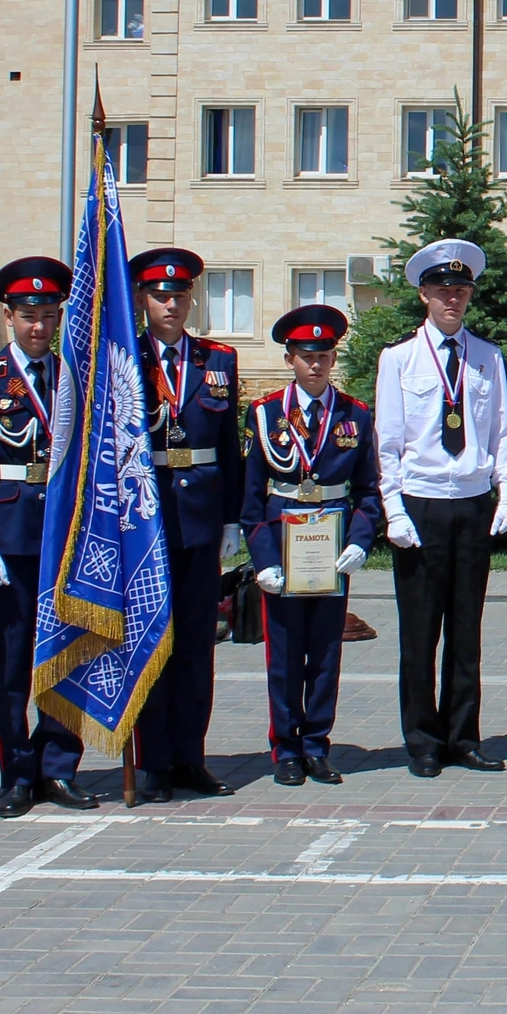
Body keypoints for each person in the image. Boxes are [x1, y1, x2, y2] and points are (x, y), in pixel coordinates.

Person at [0, 256, 95, 816]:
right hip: (9, 539)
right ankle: (16, 771)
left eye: (48, 315)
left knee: (66, 656)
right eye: (27, 315)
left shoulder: (74, 379)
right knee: (11, 662)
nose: (39, 326)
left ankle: (59, 765)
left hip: (64, 539)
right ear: (7, 316)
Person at [375, 239, 507, 777]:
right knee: (419, 635)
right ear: (423, 296)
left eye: (460, 290)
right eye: (442, 291)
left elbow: (501, 431)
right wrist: (393, 509)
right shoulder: (400, 358)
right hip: (422, 506)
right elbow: (387, 440)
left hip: (471, 505)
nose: (452, 299)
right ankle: (423, 741)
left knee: (466, 632)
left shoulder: (487, 356)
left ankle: (463, 736)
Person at [241, 304, 380, 785]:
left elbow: (368, 492)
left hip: (330, 548)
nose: (316, 364)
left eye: (324, 355)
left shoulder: (354, 415)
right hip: (282, 550)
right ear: (289, 359)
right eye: (306, 355)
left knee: (324, 653)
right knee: (283, 655)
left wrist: (361, 540)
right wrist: (261, 559)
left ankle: (317, 744)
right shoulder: (264, 415)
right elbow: (251, 500)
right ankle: (286, 749)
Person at [128, 248, 243, 802]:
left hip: (199, 520)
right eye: (160, 295)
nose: (171, 304)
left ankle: (191, 758)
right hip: (145, 520)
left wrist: (231, 519)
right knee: (153, 642)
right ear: (143, 300)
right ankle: (154, 762)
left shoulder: (216, 360)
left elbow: (227, 447)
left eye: (179, 295)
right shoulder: (123, 359)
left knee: (197, 644)